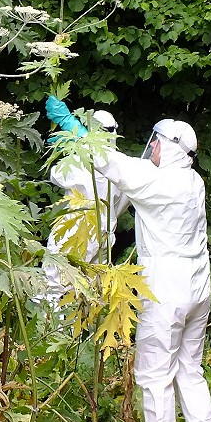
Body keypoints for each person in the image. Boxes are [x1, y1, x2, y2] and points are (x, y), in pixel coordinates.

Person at [46, 98, 211, 422]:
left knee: (154, 373)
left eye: (156, 143)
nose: (151, 148)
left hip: (166, 290)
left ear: (168, 146)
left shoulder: (156, 181)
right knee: (190, 369)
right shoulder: (193, 180)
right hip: (198, 287)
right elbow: (132, 169)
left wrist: (79, 133)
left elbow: (111, 165)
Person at [42, 108, 130, 303]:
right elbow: (121, 205)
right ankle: (83, 330)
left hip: (75, 228)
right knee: (92, 289)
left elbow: (56, 174)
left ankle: (53, 326)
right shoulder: (121, 167)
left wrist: (70, 148)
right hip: (106, 233)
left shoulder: (84, 162)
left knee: (56, 284)